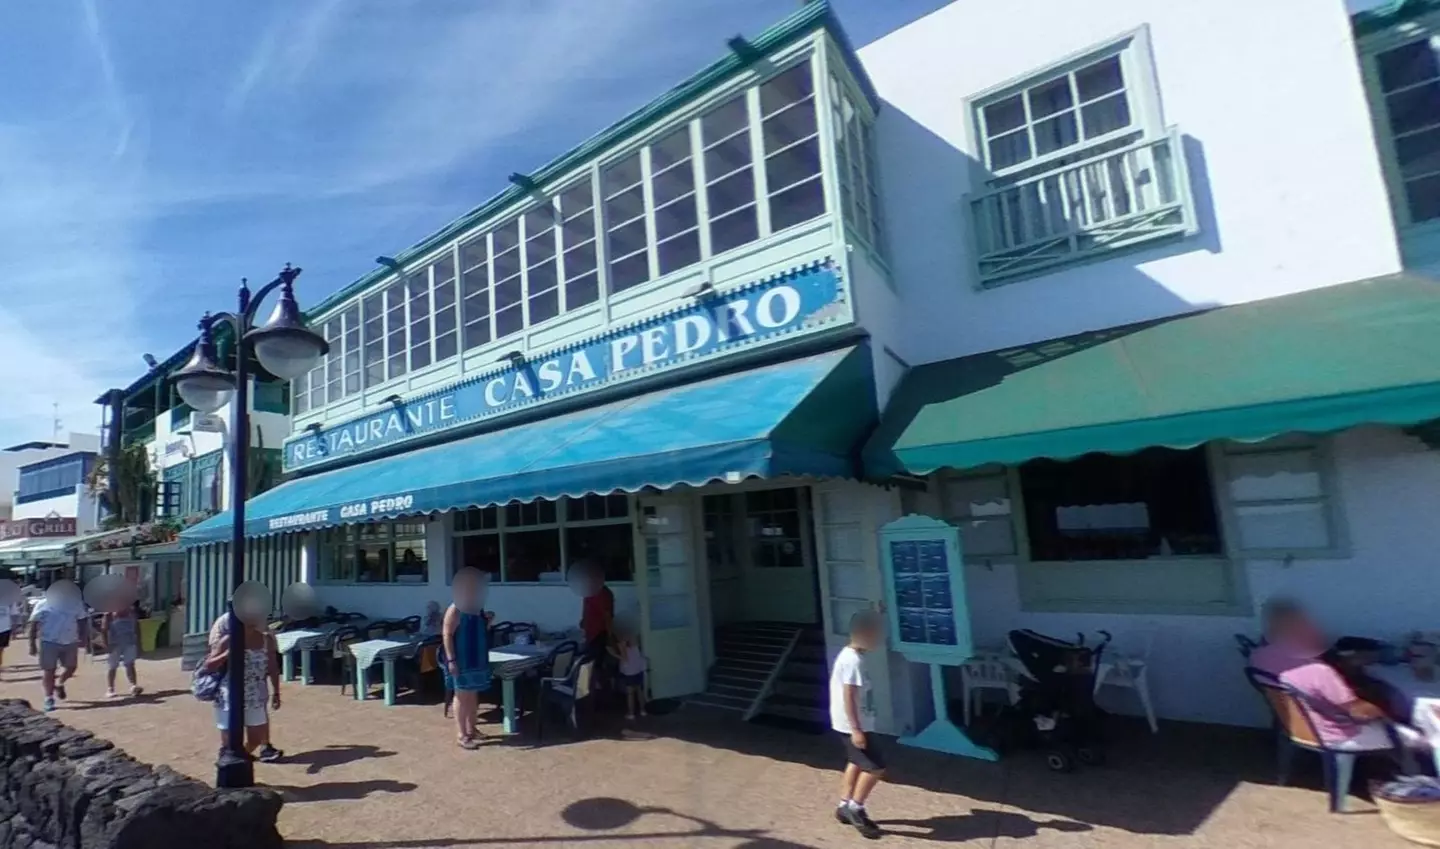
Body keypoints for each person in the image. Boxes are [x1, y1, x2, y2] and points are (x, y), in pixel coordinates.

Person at [1252, 598, 1416, 754]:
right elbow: (1360, 712)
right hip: (1338, 736)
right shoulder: (1319, 671)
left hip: (1298, 726)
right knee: (1416, 737)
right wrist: (1387, 715)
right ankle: (1412, 775)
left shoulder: (1259, 656)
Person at [830, 610, 884, 840]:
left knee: (855, 762)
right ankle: (855, 808)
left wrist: (878, 612)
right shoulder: (853, 661)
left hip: (856, 723)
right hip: (853, 725)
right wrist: (856, 730)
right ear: (864, 634)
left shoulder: (851, 655)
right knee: (875, 767)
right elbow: (849, 696)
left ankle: (844, 805)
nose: (879, 639)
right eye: (876, 634)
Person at [203, 612, 284, 763]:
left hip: (255, 695)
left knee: (255, 738)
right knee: (229, 741)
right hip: (229, 695)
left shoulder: (266, 640)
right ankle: (230, 765)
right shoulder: (228, 640)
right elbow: (209, 666)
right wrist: (228, 654)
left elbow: (273, 667)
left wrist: (276, 692)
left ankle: (237, 759)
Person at [443, 567, 495, 750]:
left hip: (477, 656)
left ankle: (472, 728)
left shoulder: (477, 608)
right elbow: (447, 634)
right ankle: (461, 733)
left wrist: (488, 621)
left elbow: (481, 630)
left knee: (473, 694)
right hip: (461, 658)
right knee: (462, 695)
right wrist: (451, 660)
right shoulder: (455, 608)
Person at [27, 583, 90, 712]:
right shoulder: (43, 604)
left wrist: (84, 637)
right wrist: (32, 644)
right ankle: (48, 698)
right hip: (49, 641)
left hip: (70, 641)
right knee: (49, 670)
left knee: (71, 668)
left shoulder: (75, 603)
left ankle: (59, 683)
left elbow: (82, 621)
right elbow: (33, 624)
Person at [101, 601, 144, 699]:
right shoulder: (109, 614)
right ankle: (110, 688)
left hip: (129, 642)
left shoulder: (131, 612)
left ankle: (133, 685)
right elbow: (104, 629)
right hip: (114, 644)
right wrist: (106, 645)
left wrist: (139, 643)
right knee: (112, 666)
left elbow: (137, 628)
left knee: (130, 664)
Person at [608, 629, 648, 720]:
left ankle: (631, 713)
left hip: (630, 671)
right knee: (639, 691)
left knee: (630, 693)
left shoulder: (621, 644)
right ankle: (643, 711)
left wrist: (613, 654)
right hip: (639, 668)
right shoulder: (636, 642)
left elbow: (624, 658)